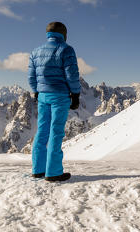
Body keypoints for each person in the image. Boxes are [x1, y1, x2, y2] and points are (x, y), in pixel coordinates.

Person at [28, 21, 80, 182]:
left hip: (43, 96)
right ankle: (53, 172)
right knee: (56, 132)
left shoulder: (35, 51)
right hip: (60, 96)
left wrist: (36, 91)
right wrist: (75, 94)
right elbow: (72, 75)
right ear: (63, 34)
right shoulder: (66, 49)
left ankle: (38, 170)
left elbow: (31, 77)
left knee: (42, 131)